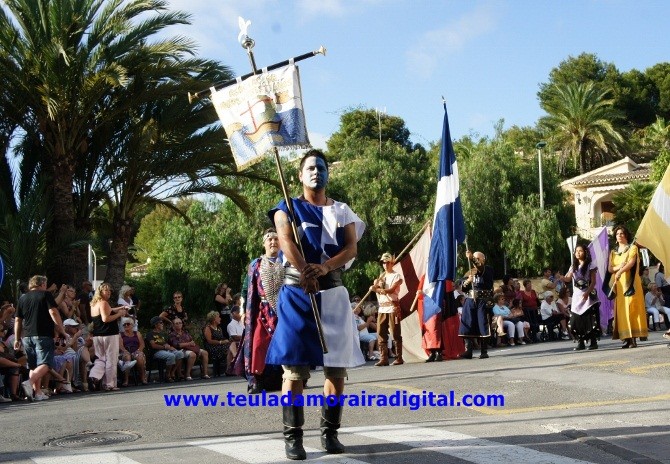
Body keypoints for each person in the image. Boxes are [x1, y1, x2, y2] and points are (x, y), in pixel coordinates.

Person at [266, 149, 365, 460]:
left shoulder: (342, 210)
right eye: (309, 168)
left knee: (336, 371)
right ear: (299, 175)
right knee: (295, 370)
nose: (315, 172)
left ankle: (329, 432)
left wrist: (323, 268)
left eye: (321, 167)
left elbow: (351, 248)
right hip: (297, 294)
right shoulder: (286, 207)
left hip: (333, 292)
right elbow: (286, 241)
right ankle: (293, 437)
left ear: (327, 173)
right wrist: (306, 271)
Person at [237, 228, 283, 393]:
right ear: (264, 243)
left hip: (284, 311)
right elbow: (245, 290)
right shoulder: (255, 265)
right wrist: (243, 312)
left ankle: (291, 378)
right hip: (262, 313)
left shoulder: (287, 261)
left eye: (276, 239)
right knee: (258, 345)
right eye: (270, 240)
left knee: (285, 345)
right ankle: (256, 381)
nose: (273, 242)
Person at [14, 275, 68, 401]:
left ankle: (37, 392)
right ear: (42, 284)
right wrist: (61, 329)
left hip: (27, 336)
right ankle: (29, 382)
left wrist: (17, 338)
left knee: (34, 366)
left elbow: (17, 320)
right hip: (43, 334)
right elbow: (53, 312)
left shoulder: (23, 298)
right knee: (46, 364)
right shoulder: (45, 294)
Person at [608, 225, 647, 348]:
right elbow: (610, 269)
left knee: (631, 309)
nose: (619, 235)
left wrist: (620, 271)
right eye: (617, 234)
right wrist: (618, 268)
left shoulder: (632, 248)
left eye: (622, 233)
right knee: (622, 311)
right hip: (619, 285)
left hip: (631, 284)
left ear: (626, 235)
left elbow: (631, 263)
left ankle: (634, 338)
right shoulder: (613, 252)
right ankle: (627, 338)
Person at [558, 244, 601, 350]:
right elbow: (568, 279)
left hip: (587, 294)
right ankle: (580, 342)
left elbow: (593, 282)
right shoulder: (573, 266)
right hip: (577, 295)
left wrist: (587, 293)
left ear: (585, 252)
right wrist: (561, 277)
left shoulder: (590, 265)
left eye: (580, 251)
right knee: (576, 319)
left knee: (589, 319)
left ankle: (593, 342)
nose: (578, 253)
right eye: (576, 251)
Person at [89, 283, 129, 391]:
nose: (109, 292)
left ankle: (94, 375)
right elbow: (105, 318)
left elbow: (109, 310)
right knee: (111, 359)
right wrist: (119, 314)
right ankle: (109, 384)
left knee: (101, 358)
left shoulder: (94, 304)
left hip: (98, 335)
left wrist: (120, 308)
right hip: (109, 334)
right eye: (106, 290)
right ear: (100, 292)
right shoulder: (104, 303)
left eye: (109, 290)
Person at [370, 252, 404, 366]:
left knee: (395, 333)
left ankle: (399, 357)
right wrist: (375, 286)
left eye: (387, 262)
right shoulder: (381, 276)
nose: (385, 265)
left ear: (392, 263)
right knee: (380, 333)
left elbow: (391, 290)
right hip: (382, 308)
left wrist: (377, 290)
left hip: (392, 307)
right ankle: (383, 358)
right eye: (383, 263)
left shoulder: (397, 276)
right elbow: (378, 289)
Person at [459, 250, 494, 359]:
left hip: (483, 300)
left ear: (483, 259)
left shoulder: (487, 269)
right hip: (470, 300)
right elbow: (463, 288)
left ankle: (484, 351)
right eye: (475, 258)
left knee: (483, 324)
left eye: (478, 259)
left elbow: (480, 268)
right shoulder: (470, 271)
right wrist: (468, 281)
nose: (476, 261)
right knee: (467, 324)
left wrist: (472, 258)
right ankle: (468, 350)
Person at [146, 316, 185, 382]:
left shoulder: (163, 334)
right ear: (155, 325)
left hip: (166, 350)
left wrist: (169, 347)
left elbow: (166, 343)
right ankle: (167, 375)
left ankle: (172, 372)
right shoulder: (150, 334)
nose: (162, 324)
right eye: (161, 323)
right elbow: (153, 345)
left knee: (180, 353)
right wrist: (164, 347)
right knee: (171, 356)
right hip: (156, 352)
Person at [119, 317, 147, 385]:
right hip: (125, 351)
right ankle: (126, 380)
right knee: (127, 357)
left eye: (128, 324)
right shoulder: (121, 335)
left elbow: (142, 344)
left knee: (139, 357)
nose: (126, 325)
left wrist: (138, 350)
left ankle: (143, 378)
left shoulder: (137, 333)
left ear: (132, 325)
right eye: (124, 324)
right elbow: (120, 346)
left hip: (136, 351)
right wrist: (125, 351)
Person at [202, 311, 230, 377]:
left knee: (231, 347)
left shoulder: (219, 328)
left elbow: (222, 338)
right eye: (218, 317)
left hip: (220, 345)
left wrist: (226, 341)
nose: (220, 319)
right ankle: (227, 369)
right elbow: (209, 341)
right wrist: (221, 342)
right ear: (214, 319)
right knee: (228, 349)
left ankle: (228, 369)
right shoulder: (208, 328)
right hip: (212, 347)